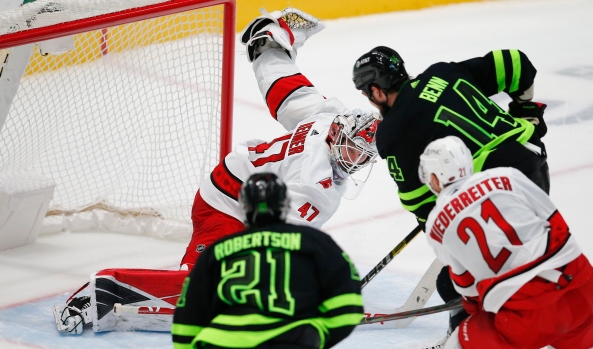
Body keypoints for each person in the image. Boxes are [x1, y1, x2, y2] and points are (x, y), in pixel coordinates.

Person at [53, 8, 379, 335]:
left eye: (364, 157)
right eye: (353, 148)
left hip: (239, 191)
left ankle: (268, 39)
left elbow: (288, 93)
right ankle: (103, 291)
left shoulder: (331, 117)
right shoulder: (320, 186)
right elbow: (280, 243)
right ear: (339, 134)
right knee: (206, 288)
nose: (354, 161)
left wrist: (271, 47)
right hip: (223, 208)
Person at [352, 46, 550, 333]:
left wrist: (448, 232)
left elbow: (419, 202)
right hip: (533, 165)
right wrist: (526, 110)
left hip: (496, 195)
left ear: (376, 90)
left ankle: (474, 335)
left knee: (453, 280)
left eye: (365, 92)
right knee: (516, 257)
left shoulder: (393, 131)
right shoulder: (441, 72)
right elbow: (515, 63)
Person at [418, 136, 593, 349]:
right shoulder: (507, 175)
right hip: (580, 285)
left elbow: (467, 287)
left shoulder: (436, 225)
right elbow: (556, 222)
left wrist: (485, 308)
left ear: (435, 178)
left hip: (524, 313)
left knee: (458, 342)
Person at [172, 172, 364, 349]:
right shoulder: (315, 243)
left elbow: (186, 319)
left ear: (244, 207)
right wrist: (316, 335)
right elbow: (348, 307)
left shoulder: (217, 251)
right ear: (286, 205)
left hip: (222, 342)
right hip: (293, 339)